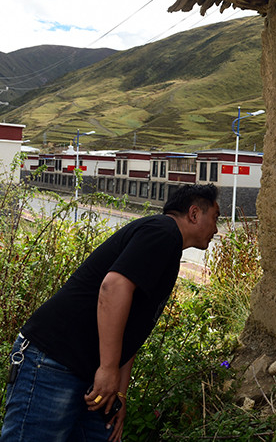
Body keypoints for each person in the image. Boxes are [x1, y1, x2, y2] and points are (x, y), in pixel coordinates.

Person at [1, 184, 220, 442]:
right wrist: (108, 368)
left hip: (93, 378)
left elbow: (133, 329)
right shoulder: (163, 231)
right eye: (215, 217)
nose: (217, 229)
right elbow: (112, 287)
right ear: (194, 214)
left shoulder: (169, 250)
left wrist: (120, 393)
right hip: (53, 362)